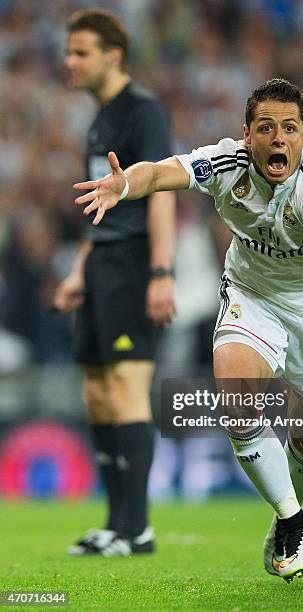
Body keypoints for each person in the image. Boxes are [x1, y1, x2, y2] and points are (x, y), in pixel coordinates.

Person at [72, 78, 303, 580]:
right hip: (251, 296)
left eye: (290, 129)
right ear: (247, 135)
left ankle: (287, 518)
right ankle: (294, 519)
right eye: (266, 128)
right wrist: (124, 185)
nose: (278, 139)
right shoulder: (227, 163)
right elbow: (162, 173)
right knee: (235, 395)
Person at [54, 9, 176, 557]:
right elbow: (98, 211)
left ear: (113, 55)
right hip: (101, 265)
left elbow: (162, 194)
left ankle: (138, 528)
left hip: (133, 266)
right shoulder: (99, 118)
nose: (69, 61)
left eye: (80, 51)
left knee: (127, 387)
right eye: (68, 51)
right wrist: (79, 270)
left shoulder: (143, 112)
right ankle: (115, 523)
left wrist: (161, 272)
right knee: (98, 393)